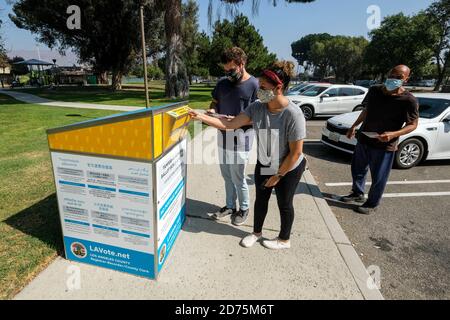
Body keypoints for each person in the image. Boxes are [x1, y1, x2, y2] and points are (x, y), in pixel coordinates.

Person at [190, 61, 307, 250]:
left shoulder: (293, 114)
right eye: (259, 85)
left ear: (278, 88)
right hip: (266, 161)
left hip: (289, 165)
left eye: (262, 87)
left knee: (284, 202)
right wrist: (200, 117)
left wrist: (278, 176)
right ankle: (256, 233)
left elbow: (296, 153)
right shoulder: (257, 108)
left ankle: (284, 239)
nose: (258, 90)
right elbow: (230, 125)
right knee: (261, 199)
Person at [343, 65, 419, 214]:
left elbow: (413, 125)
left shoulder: (409, 100)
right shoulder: (375, 90)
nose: (393, 79)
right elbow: (366, 110)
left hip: (384, 145)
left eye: (399, 77)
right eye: (392, 75)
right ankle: (357, 193)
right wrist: (354, 126)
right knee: (357, 169)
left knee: (379, 177)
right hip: (364, 139)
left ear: (406, 79)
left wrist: (393, 134)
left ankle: (372, 203)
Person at [208, 47, 259, 226]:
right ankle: (230, 206)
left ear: (241, 64)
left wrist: (238, 121)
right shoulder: (222, 83)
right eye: (225, 70)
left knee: (238, 177)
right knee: (226, 175)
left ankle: (244, 208)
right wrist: (212, 111)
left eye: (231, 70)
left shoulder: (254, 85)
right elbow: (214, 102)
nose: (228, 73)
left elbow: (260, 117)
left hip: (242, 139)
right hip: (223, 136)